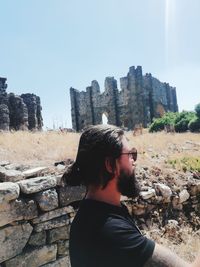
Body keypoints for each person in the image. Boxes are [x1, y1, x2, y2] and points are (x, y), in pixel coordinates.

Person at [62, 124, 200, 267]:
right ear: (110, 165)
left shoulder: (92, 213)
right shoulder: (112, 233)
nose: (134, 161)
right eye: (130, 155)